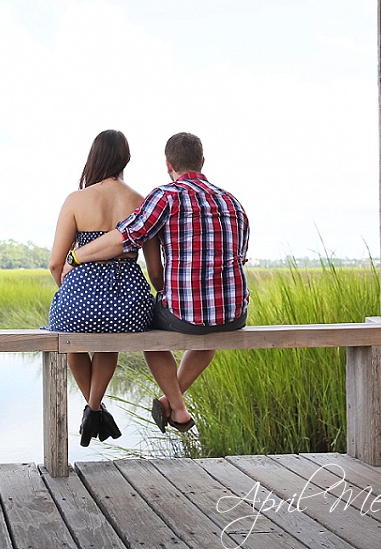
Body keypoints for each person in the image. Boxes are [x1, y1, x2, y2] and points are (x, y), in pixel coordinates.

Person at [62, 131, 249, 434]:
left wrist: (77, 258)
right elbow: (240, 256)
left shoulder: (165, 196)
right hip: (233, 315)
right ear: (202, 161)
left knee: (151, 329)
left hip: (185, 315)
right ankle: (168, 404)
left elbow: (124, 237)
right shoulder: (232, 201)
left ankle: (175, 405)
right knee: (209, 331)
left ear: (168, 164)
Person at [47, 129, 163, 447]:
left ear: (93, 157)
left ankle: (94, 409)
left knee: (71, 340)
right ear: (125, 158)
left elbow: (56, 264)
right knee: (107, 339)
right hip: (128, 304)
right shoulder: (141, 202)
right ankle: (94, 409)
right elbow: (155, 271)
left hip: (80, 298)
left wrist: (70, 292)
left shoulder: (76, 200)